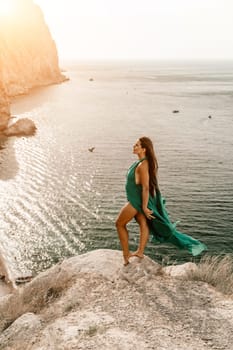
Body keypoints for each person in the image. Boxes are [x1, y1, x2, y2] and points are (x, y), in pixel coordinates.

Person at [116, 136, 207, 266]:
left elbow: (146, 187)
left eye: (137, 145)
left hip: (137, 201)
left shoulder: (143, 165)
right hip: (135, 198)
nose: (134, 146)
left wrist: (144, 206)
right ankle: (140, 252)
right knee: (143, 223)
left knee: (119, 224)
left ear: (144, 149)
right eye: (134, 144)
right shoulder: (139, 162)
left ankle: (126, 256)